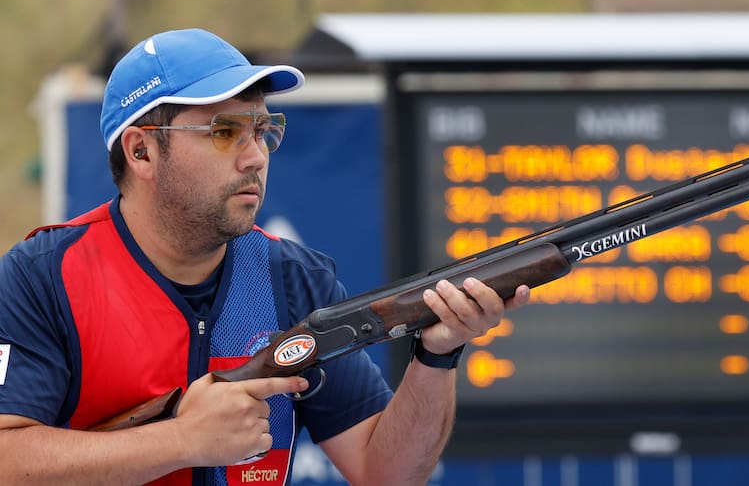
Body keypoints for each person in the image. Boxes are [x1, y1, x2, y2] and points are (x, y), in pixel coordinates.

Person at [0, 28, 531, 485]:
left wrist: (436, 356)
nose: (255, 157)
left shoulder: (295, 280)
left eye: (261, 130)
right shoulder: (41, 276)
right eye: (224, 132)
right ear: (141, 151)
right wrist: (181, 440)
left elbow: (384, 472)